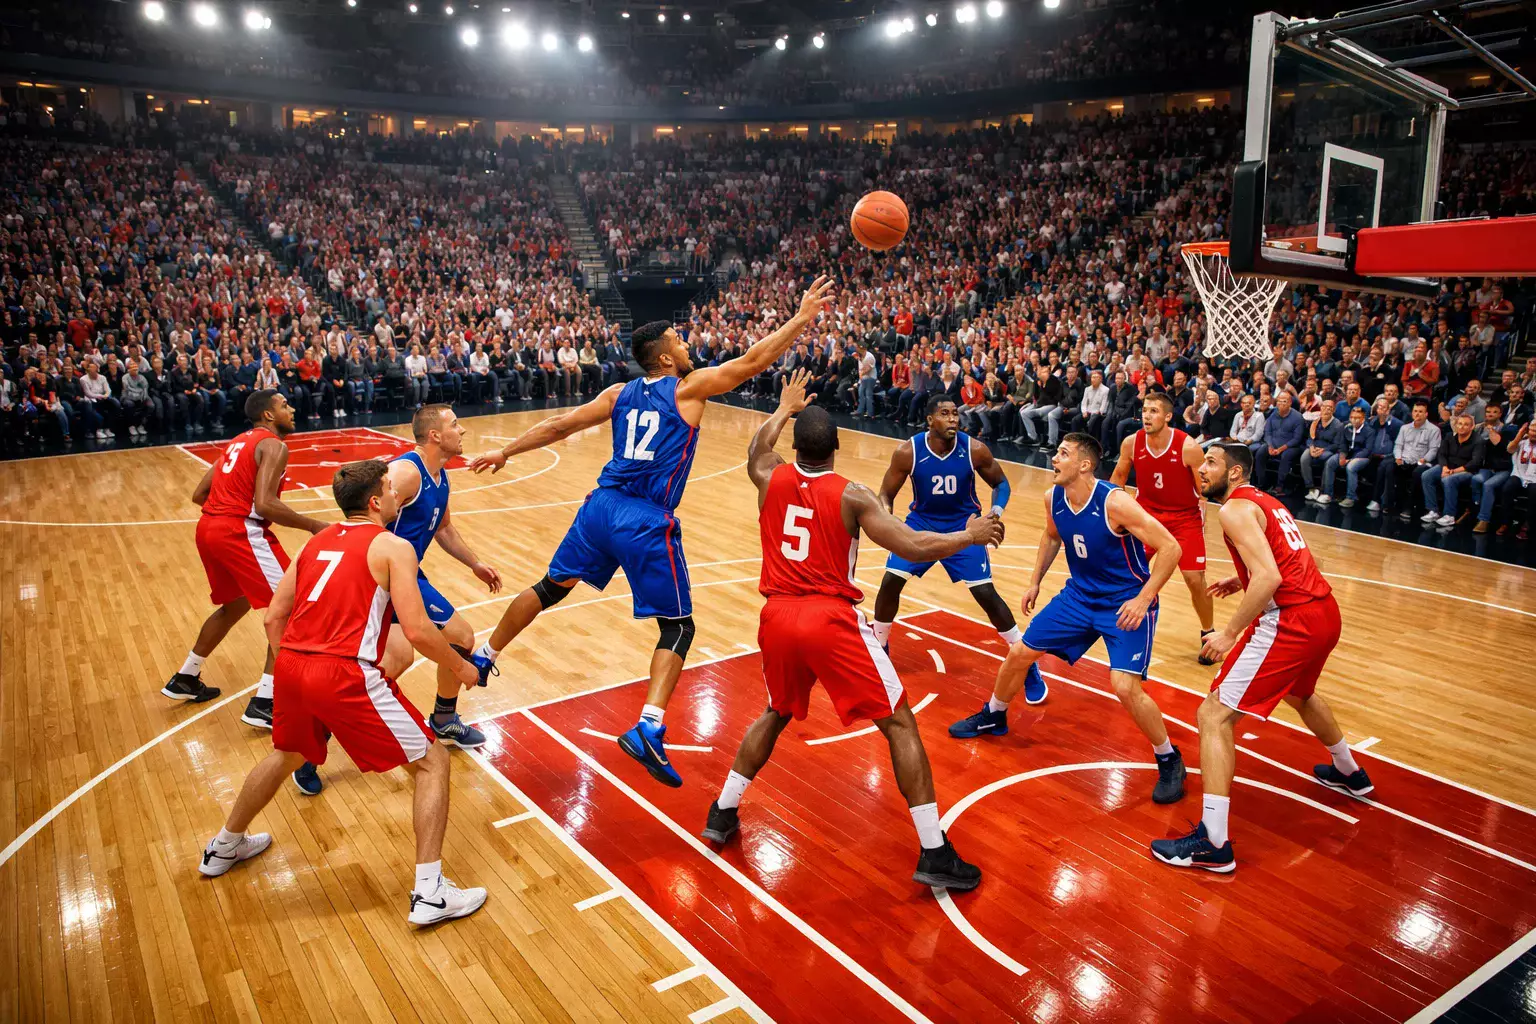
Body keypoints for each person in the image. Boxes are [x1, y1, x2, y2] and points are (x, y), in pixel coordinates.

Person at [467, 276, 834, 787]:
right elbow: (751, 363)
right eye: (679, 341)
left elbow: (560, 426)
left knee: (551, 587)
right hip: (643, 518)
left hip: (600, 508)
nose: (687, 344)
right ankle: (648, 726)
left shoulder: (618, 393)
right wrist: (801, 317)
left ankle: (485, 656)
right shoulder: (687, 388)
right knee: (678, 627)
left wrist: (505, 451)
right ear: (664, 358)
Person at [701, 371, 999, 890]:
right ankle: (934, 851)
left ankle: (722, 811)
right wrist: (967, 535)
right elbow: (912, 545)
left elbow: (757, 450)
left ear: (796, 446)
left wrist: (783, 408)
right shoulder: (853, 495)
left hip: (776, 617)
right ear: (837, 447)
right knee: (900, 724)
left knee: (775, 712)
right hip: (828, 618)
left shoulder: (769, 476)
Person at [197, 459, 487, 926]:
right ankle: (430, 893)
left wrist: (297, 668)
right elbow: (417, 630)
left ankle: (223, 846)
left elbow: (273, 617)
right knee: (432, 762)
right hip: (344, 673)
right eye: (390, 488)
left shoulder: (316, 541)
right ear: (374, 502)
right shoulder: (393, 546)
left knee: (286, 755)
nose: (396, 494)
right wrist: (460, 666)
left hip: (292, 665)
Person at [1150, 443, 1372, 873]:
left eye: (1211, 462)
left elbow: (1269, 576)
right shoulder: (1266, 501)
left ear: (1234, 473)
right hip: (1324, 612)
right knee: (1301, 695)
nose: (1202, 469)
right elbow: (1297, 559)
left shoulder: (1234, 509)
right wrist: (1242, 578)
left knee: (1213, 716)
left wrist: (1229, 632)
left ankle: (1213, 843)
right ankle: (1350, 772)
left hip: (1292, 620)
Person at [949, 433, 1189, 805]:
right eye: (1057, 452)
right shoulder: (1053, 497)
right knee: (1020, 653)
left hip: (1124, 602)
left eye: (1063, 453)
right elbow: (1051, 537)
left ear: (1085, 465)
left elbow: (1171, 547)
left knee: (1125, 687)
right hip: (1078, 596)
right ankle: (994, 714)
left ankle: (1169, 758)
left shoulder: (1115, 503)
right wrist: (1035, 581)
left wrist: (1144, 599)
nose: (1054, 458)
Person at [160, 391, 330, 786]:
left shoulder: (237, 442)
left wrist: (226, 510)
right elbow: (265, 505)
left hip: (209, 529)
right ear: (269, 415)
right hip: (240, 532)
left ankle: (186, 676)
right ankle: (266, 701)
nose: (292, 409)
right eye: (285, 405)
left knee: (233, 606)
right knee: (290, 611)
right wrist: (313, 525)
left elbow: (199, 495)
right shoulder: (273, 444)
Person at [868, 395, 1020, 662]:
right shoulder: (908, 452)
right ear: (930, 420)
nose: (953, 419)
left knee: (985, 593)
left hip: (965, 526)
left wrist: (994, 514)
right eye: (945, 414)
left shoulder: (974, 449)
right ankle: (880, 645)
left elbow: (1001, 483)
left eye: (955, 413)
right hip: (921, 523)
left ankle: (1022, 655)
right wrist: (887, 518)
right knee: (891, 581)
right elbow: (885, 494)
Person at [386, 404, 503, 749]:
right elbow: (364, 516)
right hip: (386, 576)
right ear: (435, 435)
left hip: (407, 575)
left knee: (397, 660)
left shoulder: (440, 475)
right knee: (454, 640)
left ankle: (443, 720)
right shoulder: (406, 472)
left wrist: (474, 564)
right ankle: (443, 719)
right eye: (455, 424)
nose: (462, 429)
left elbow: (444, 528)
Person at [1110, 392, 1216, 662]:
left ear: (1168, 416)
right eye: (1145, 410)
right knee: (1126, 571)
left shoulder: (1188, 446)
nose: (1147, 416)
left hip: (1184, 518)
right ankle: (1117, 622)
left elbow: (1203, 488)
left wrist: (1203, 518)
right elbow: (1117, 480)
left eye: (1154, 411)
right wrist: (1112, 514)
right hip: (1147, 515)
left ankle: (1208, 633)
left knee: (1195, 580)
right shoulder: (1131, 443)